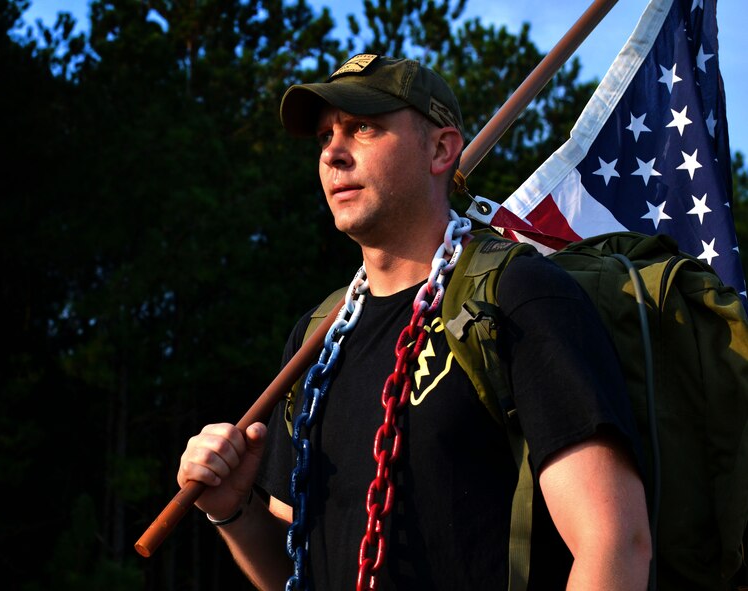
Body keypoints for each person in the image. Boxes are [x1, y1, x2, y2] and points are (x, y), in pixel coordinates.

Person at [176, 54, 651, 590]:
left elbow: (613, 543)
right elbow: (298, 574)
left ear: (441, 149)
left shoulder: (519, 298)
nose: (333, 152)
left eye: (363, 128)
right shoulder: (314, 339)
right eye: (324, 137)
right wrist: (232, 513)